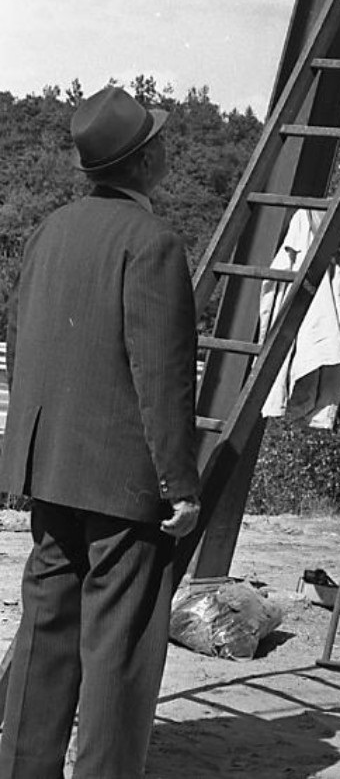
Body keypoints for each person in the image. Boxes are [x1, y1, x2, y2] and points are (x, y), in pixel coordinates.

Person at [0, 84, 200, 779]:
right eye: (159, 140)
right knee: (118, 653)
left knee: (45, 637)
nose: (167, 148)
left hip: (51, 470)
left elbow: (21, 347)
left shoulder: (47, 232)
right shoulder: (153, 242)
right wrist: (179, 484)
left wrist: (24, 458)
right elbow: (161, 377)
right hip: (124, 484)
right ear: (143, 162)